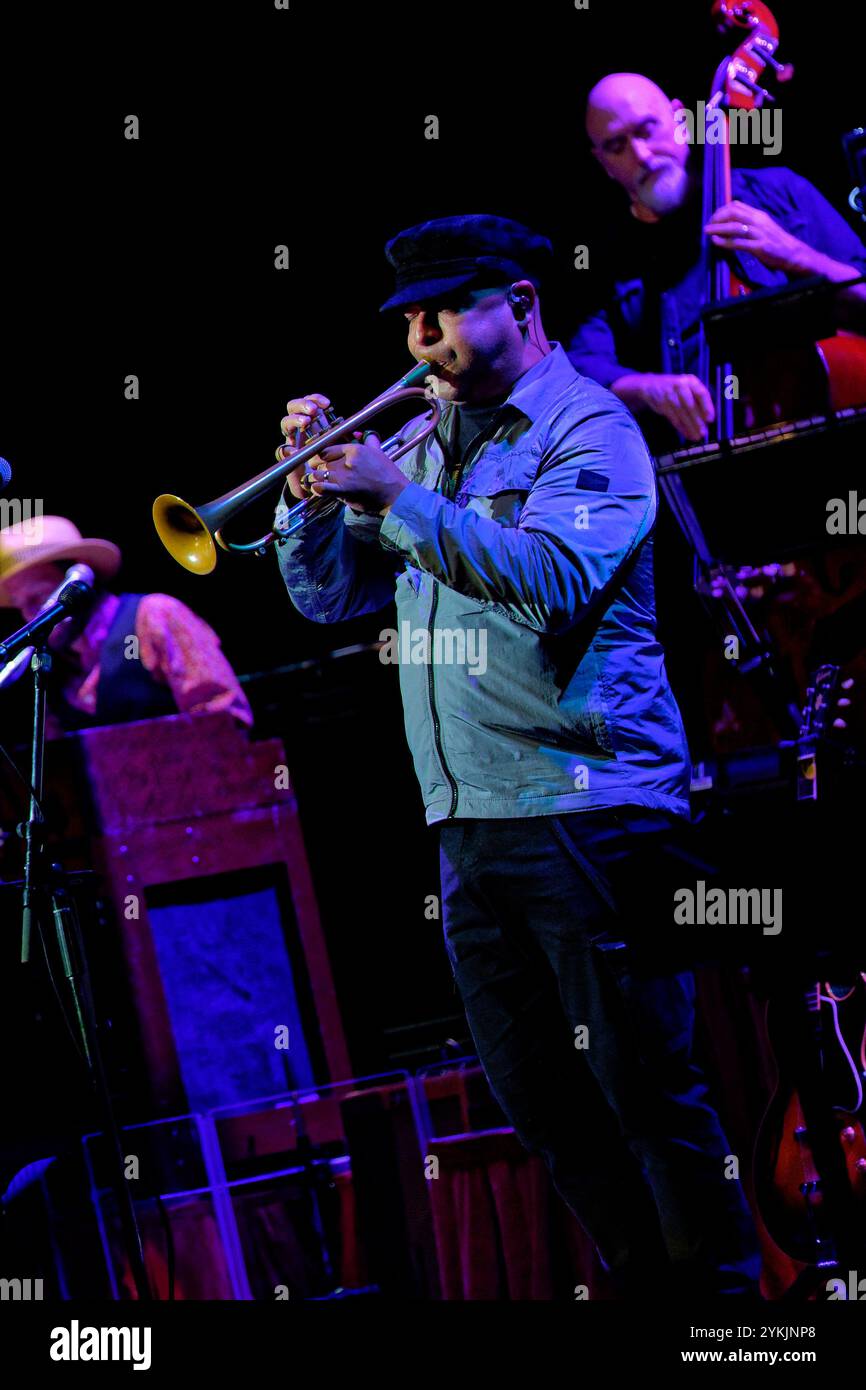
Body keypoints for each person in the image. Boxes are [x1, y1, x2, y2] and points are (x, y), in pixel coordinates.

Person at [272, 213, 762, 1297]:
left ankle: (728, 1315)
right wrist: (306, 497)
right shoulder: (423, 441)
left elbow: (545, 579)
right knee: (542, 1106)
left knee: (643, 1091)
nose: (421, 338)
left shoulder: (588, 428)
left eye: (444, 310)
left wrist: (397, 499)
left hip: (588, 804)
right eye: (408, 318)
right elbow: (325, 598)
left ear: (521, 305)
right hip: (468, 816)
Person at [570, 72, 866, 448]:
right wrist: (646, 388)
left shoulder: (780, 194)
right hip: (702, 470)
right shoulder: (609, 262)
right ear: (602, 163)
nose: (641, 155)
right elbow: (582, 369)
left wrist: (797, 255)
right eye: (617, 146)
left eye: (647, 130)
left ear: (680, 119)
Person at [0, 515, 252, 733]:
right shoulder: (50, 665)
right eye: (20, 604)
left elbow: (226, 719)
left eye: (38, 597)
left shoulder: (154, 614)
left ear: (80, 581)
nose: (31, 615)